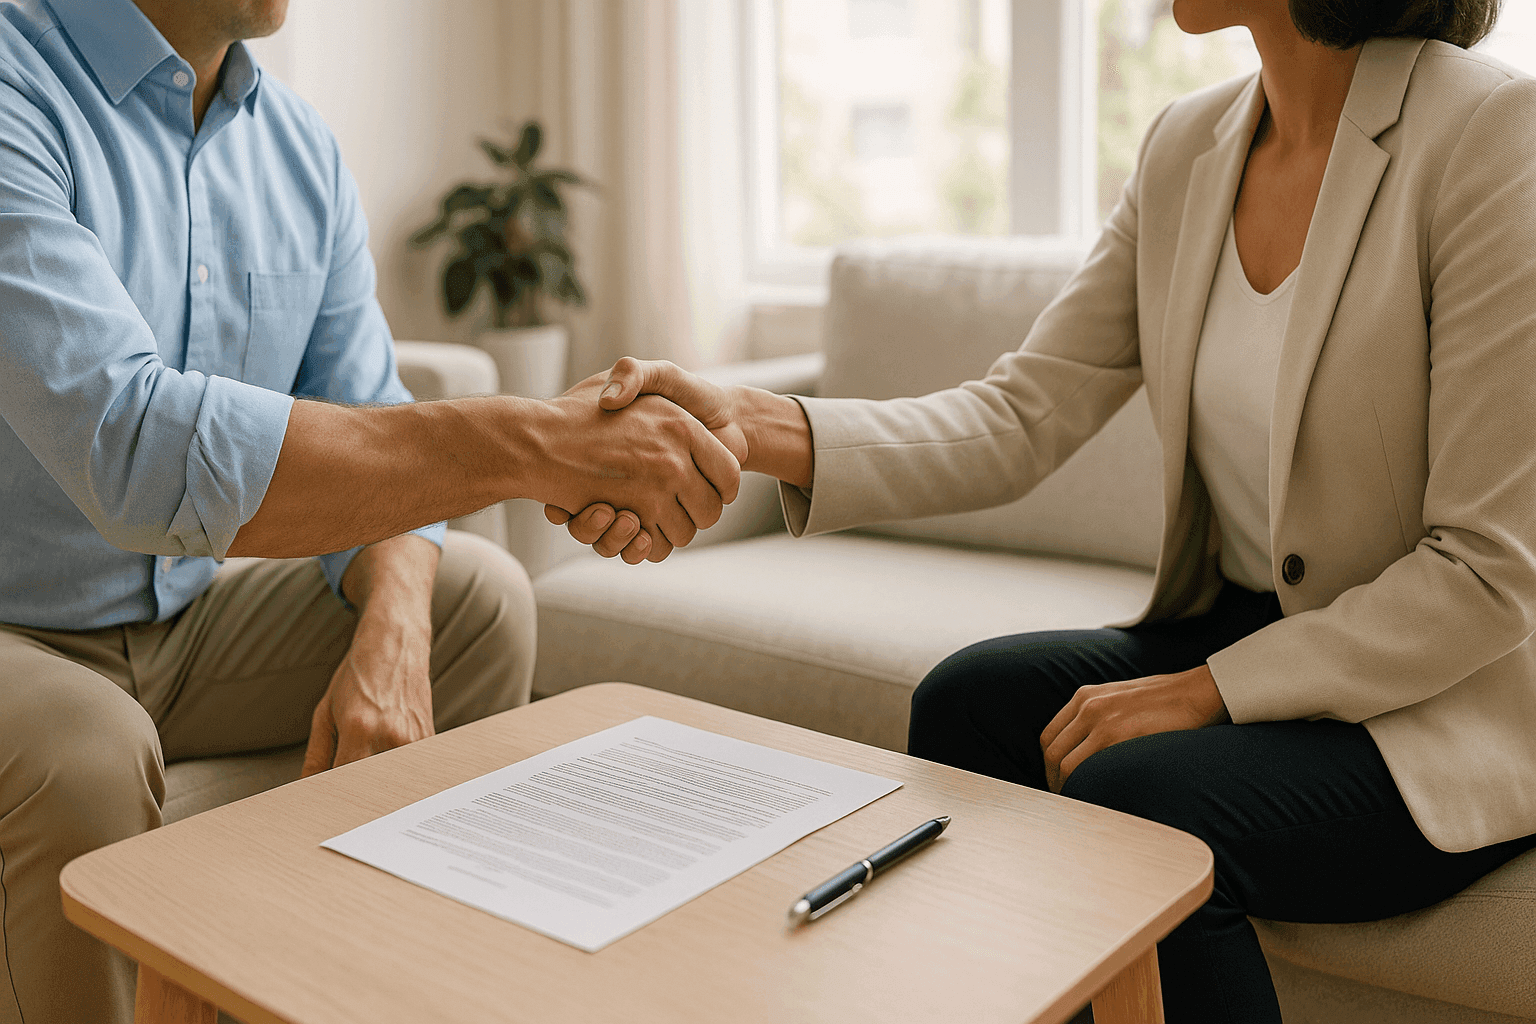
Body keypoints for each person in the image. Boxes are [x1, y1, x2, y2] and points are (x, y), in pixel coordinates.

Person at [551, 0, 1536, 1019]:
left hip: (1442, 703)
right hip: (1246, 624)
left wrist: (1209, 689)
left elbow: (1485, 571)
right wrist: (746, 423)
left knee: (1141, 807)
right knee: (970, 705)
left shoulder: (1492, 136)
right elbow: (1021, 416)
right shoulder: (1189, 144)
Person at [0, 0, 741, 1021]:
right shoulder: (14, 82)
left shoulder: (299, 148)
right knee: (86, 750)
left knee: (476, 600)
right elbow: (134, 446)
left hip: (178, 620)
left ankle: (357, 986)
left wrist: (394, 628)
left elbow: (372, 413)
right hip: (15, 630)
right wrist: (542, 443)